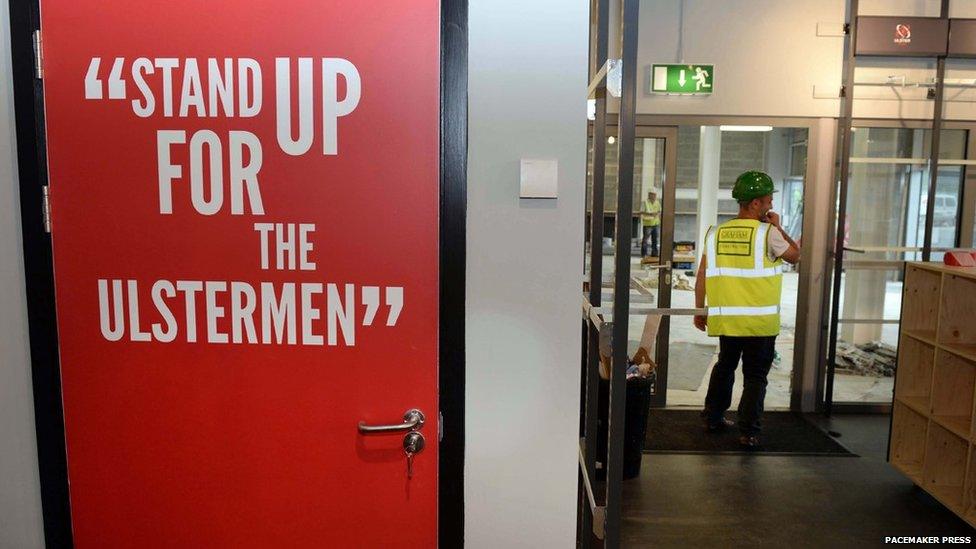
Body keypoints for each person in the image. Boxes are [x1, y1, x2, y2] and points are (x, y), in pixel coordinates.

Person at [692, 171, 800, 449]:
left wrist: (699, 308)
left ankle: (712, 418)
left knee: (725, 367)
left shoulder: (716, 233)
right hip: (759, 323)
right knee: (755, 377)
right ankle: (749, 431)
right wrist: (779, 226)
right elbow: (796, 255)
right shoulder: (768, 233)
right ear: (754, 203)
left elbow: (703, 273)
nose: (769, 207)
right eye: (767, 201)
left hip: (727, 319)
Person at [640, 190, 661, 258]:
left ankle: (654, 254)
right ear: (649, 195)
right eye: (652, 195)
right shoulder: (645, 202)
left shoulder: (657, 203)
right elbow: (641, 212)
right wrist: (650, 214)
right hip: (648, 224)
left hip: (656, 224)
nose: (654, 196)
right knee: (645, 240)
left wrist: (657, 214)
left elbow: (659, 211)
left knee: (655, 239)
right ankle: (644, 254)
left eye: (655, 195)